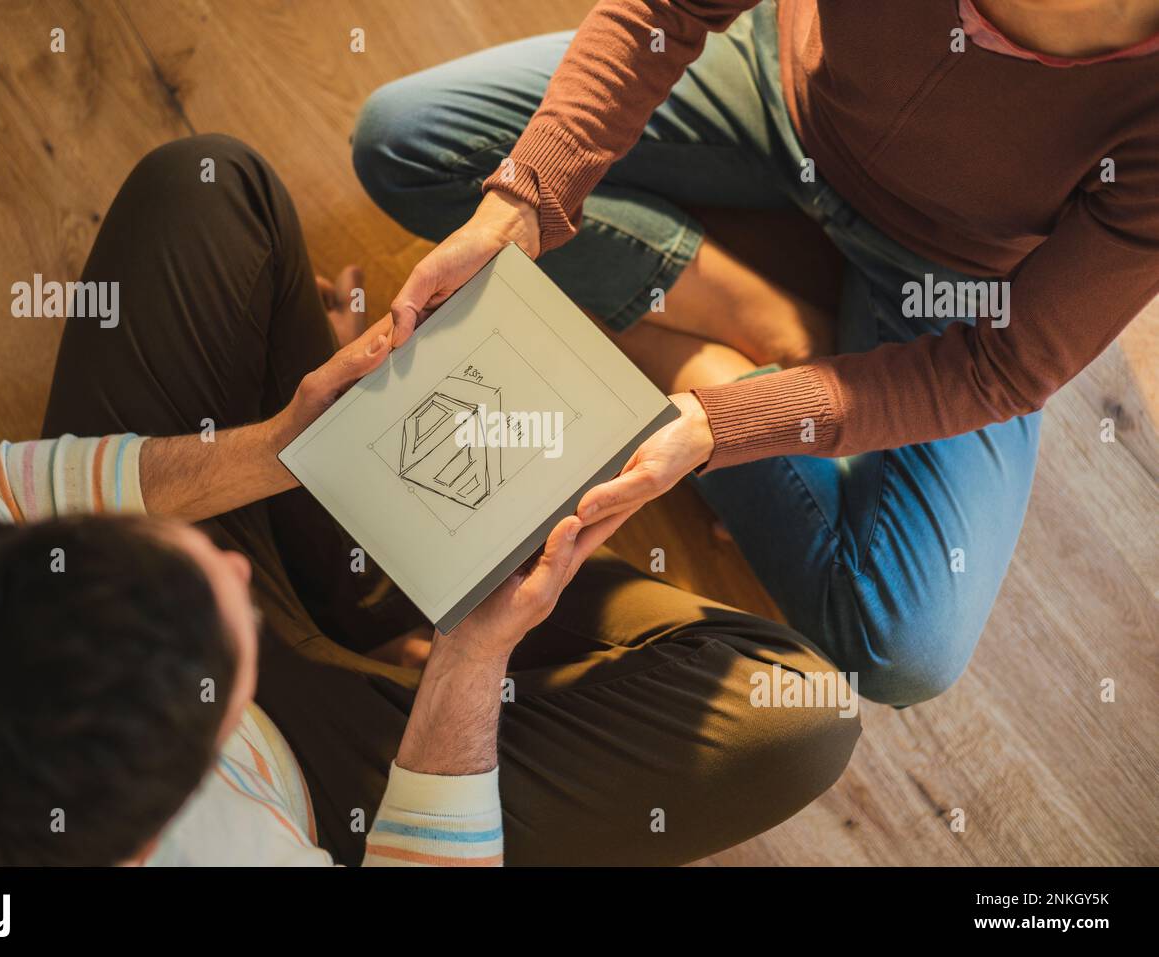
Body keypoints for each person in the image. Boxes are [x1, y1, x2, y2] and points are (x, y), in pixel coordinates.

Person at [0, 135, 858, 867]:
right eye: (219, 595)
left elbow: (1, 484)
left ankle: (378, 548)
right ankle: (435, 571)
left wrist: (276, 448)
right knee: (800, 707)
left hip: (226, 573)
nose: (228, 564)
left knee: (208, 186)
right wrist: (471, 660)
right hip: (329, 786)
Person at [352, 0, 1159, 706]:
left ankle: (678, 341)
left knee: (903, 647)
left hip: (952, 271)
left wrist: (721, 418)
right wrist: (525, 200)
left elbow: (1004, 367)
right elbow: (665, 10)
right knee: (404, 144)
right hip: (778, 95)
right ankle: (763, 315)